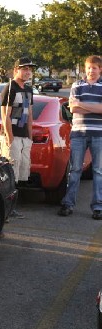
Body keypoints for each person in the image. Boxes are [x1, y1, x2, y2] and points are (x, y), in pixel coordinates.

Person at [58, 55, 102, 220]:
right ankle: (68, 204)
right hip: (78, 134)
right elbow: (73, 108)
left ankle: (98, 207)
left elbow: (99, 109)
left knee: (98, 171)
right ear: (86, 68)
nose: (91, 71)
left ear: (100, 69)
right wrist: (93, 107)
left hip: (99, 134)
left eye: (95, 68)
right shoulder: (77, 85)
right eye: (89, 68)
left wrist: (82, 104)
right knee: (75, 170)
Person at [0, 57, 36, 184]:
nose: (28, 72)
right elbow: (5, 115)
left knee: (23, 170)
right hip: (12, 136)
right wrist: (10, 139)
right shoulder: (10, 88)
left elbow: (29, 114)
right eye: (24, 69)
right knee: (11, 172)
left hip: (25, 137)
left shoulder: (29, 90)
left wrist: (30, 137)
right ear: (16, 70)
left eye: (30, 69)